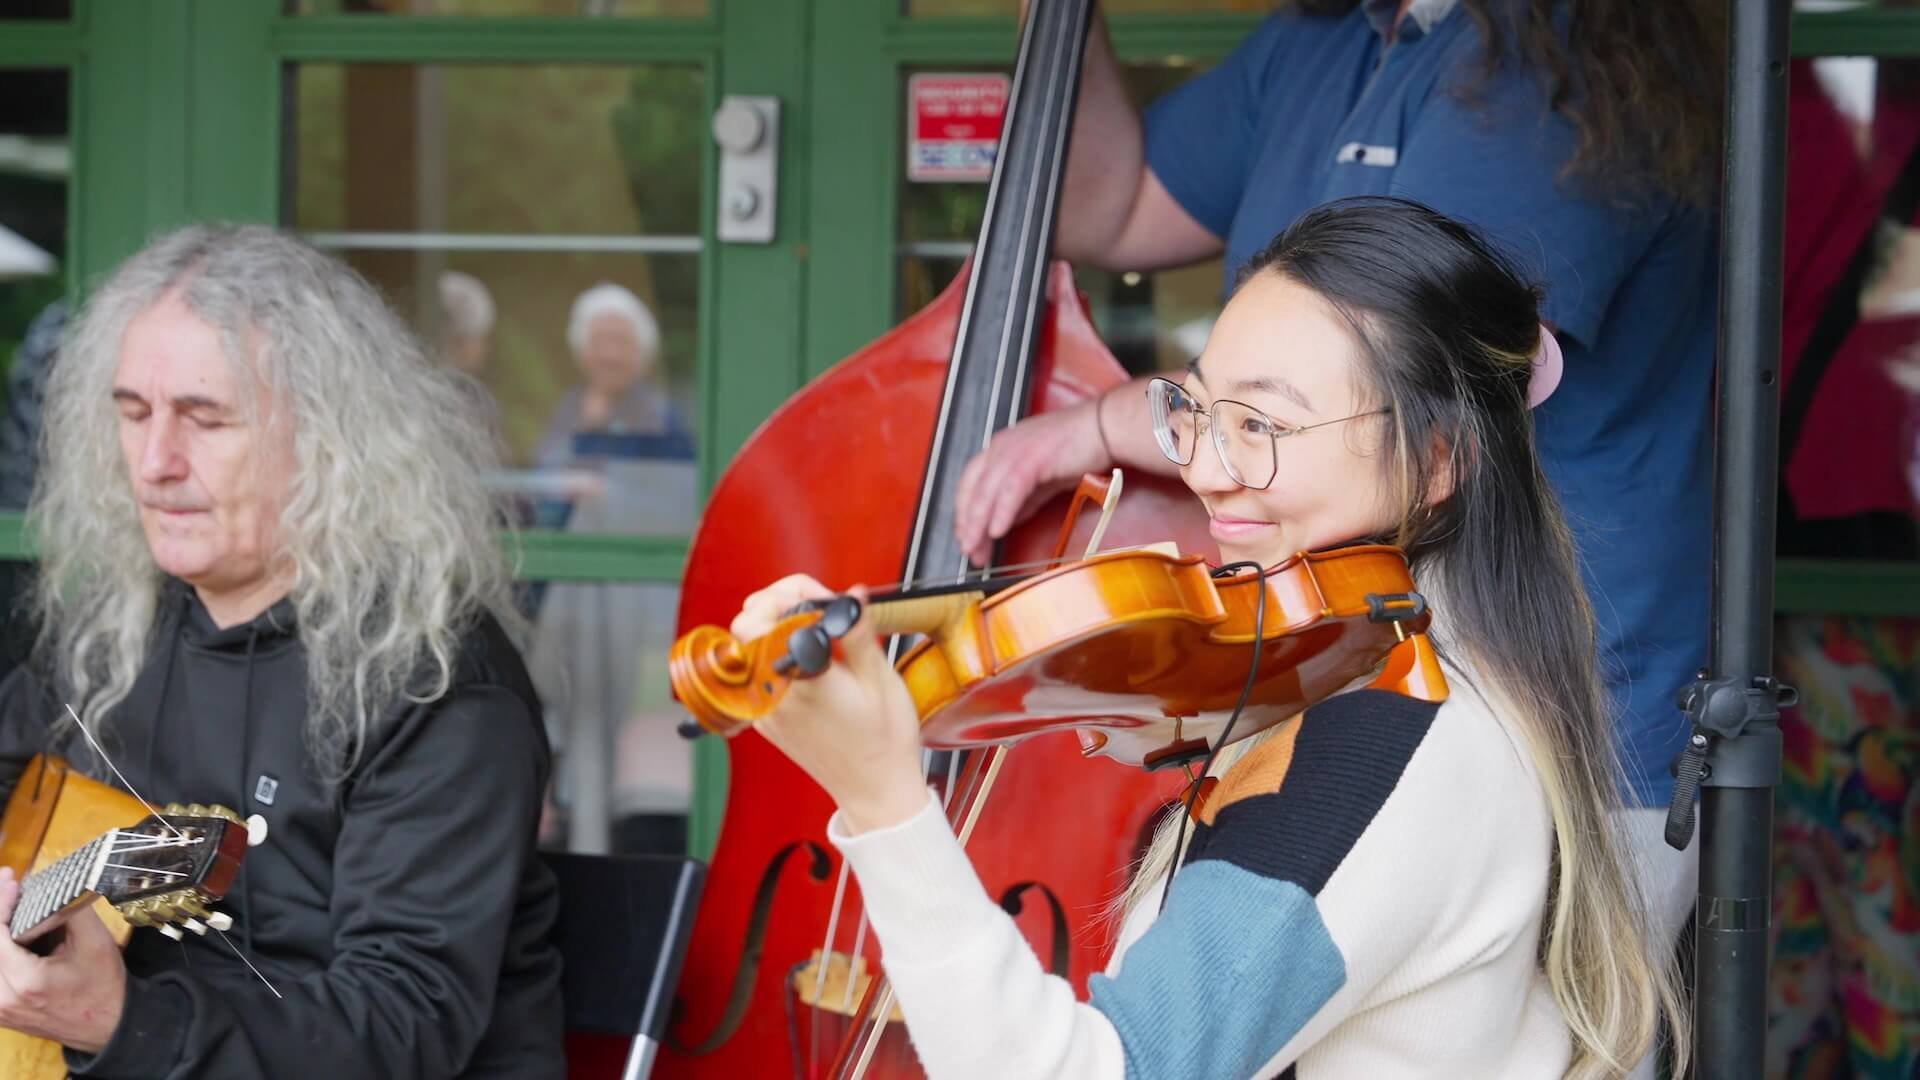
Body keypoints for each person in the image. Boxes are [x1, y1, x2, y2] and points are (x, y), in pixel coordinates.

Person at [733, 198, 1688, 1079]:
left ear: (1436, 461)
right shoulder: (1390, 675)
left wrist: (888, 802)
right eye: (1196, 412)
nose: (1208, 471)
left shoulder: (1390, 736)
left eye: (1263, 425)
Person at [953, 5, 1723, 1059]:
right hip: (1364, 662)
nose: (1217, 465)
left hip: (1547, 699)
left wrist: (1095, 425)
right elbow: (1111, 207)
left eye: (1245, 426)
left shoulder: (1563, 52)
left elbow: (1400, 359)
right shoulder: (1322, 39)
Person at [0, 225, 564, 1078]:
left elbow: (402, 1025)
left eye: (205, 418)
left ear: (328, 440)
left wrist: (123, 1020)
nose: (155, 462)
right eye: (133, 414)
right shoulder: (112, 633)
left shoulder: (433, 682)